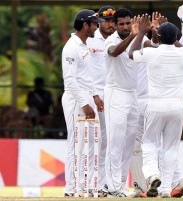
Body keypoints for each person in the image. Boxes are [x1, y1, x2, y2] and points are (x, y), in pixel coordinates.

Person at [129, 16, 183, 198]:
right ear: (176, 38)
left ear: (159, 37)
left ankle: (152, 175)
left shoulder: (151, 53)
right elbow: (180, 46)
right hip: (177, 106)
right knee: (171, 148)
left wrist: (141, 33)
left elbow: (131, 54)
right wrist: (167, 35)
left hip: (156, 104)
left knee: (149, 143)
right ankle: (165, 190)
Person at [103, 8, 157, 197]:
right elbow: (114, 53)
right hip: (115, 94)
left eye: (128, 23)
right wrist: (134, 35)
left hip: (132, 95)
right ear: (116, 25)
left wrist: (155, 31)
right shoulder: (111, 40)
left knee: (128, 143)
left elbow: (155, 46)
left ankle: (120, 186)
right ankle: (112, 187)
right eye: (122, 24)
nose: (125, 27)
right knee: (115, 142)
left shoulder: (139, 39)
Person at [61, 9, 104, 197]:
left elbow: (87, 76)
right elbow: (70, 80)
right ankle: (71, 189)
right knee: (75, 143)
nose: (97, 26)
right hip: (74, 98)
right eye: (95, 23)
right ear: (85, 25)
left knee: (91, 143)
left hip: (86, 97)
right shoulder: (71, 47)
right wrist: (85, 104)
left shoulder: (84, 45)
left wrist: (94, 96)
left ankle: (85, 186)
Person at [86, 5, 116, 197]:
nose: (110, 24)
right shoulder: (90, 41)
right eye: (106, 21)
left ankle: (105, 184)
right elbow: (85, 72)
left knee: (111, 142)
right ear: (98, 21)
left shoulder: (117, 41)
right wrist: (94, 95)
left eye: (113, 21)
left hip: (113, 97)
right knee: (93, 143)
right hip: (94, 96)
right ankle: (91, 183)